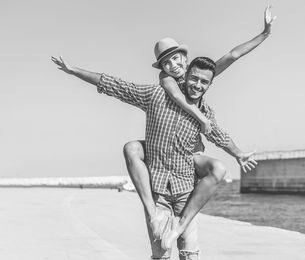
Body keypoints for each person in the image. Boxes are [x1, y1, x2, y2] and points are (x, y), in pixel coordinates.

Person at [51, 55, 258, 259]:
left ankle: (180, 226)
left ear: (210, 85)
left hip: (185, 188)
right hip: (157, 189)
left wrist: (239, 154)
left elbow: (219, 136)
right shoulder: (155, 95)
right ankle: (153, 216)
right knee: (160, 253)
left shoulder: (204, 113)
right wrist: (75, 70)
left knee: (189, 250)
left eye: (204, 82)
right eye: (194, 78)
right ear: (185, 76)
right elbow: (115, 85)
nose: (197, 85)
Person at [122, 4, 275, 245]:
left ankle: (179, 225)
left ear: (185, 58)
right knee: (132, 147)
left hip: (189, 156)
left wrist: (264, 34)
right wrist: (200, 117)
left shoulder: (199, 74)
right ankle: (155, 214)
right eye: (167, 63)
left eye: (177, 59)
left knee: (213, 170)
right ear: (163, 67)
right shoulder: (165, 82)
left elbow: (232, 55)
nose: (174, 66)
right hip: (165, 156)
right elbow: (170, 90)